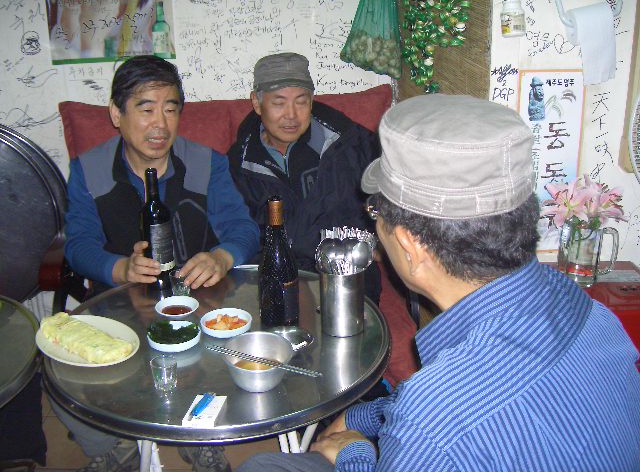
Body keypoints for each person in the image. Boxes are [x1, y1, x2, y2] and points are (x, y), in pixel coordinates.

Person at [236, 94, 640, 471]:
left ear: (410, 246)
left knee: (260, 466)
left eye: (375, 212)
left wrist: (354, 453)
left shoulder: (429, 425)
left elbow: (435, 423)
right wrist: (366, 414)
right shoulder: (588, 310)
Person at [60, 55, 259, 472]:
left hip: (199, 303)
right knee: (61, 370)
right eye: (146, 108)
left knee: (234, 357)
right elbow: (78, 245)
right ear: (117, 114)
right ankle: (114, 446)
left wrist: (222, 256)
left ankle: (199, 433)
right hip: (120, 304)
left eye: (170, 109)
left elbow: (243, 228)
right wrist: (121, 268)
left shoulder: (206, 163)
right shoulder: (89, 170)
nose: (161, 124)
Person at [227, 52, 382, 304]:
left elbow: (396, 188)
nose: (291, 115)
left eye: (301, 102)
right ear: (257, 103)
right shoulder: (240, 163)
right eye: (279, 103)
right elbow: (236, 229)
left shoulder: (349, 144)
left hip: (344, 278)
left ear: (311, 101)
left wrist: (385, 239)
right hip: (273, 282)